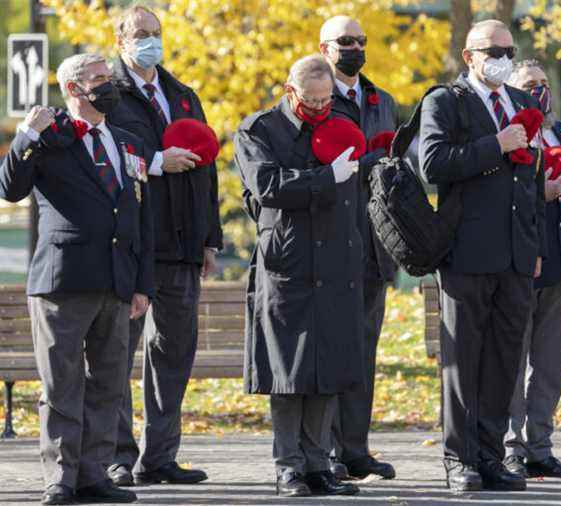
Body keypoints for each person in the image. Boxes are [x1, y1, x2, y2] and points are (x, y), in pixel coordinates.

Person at [0, 53, 153, 505]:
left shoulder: (127, 142)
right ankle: (61, 479)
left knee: (108, 385)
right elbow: (9, 187)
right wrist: (27, 132)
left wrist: (142, 283)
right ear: (73, 89)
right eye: (99, 80)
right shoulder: (50, 139)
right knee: (62, 386)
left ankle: (94, 474)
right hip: (62, 282)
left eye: (109, 79)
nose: (109, 87)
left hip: (116, 281)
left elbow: (141, 216)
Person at [419, 19, 545, 493]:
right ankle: (460, 458)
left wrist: (533, 247)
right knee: (463, 360)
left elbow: (531, 183)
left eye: (510, 50)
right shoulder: (446, 101)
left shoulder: (523, 102)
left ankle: (491, 455)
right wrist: (495, 144)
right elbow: (432, 164)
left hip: (515, 256)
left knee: (504, 359)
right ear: (469, 56)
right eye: (493, 50)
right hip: (466, 253)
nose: (503, 58)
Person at [234, 54, 364, 497]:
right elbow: (267, 186)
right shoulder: (259, 130)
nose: (320, 107)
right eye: (311, 100)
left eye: (327, 98)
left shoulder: (340, 121)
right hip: (288, 264)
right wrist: (326, 177)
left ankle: (318, 464)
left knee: (327, 367)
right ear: (291, 91)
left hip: (336, 262)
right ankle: (287, 465)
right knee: (288, 370)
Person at [105, 5, 224, 487]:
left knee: (172, 355)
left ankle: (160, 457)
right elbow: (107, 153)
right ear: (121, 41)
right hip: (129, 248)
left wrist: (210, 239)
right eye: (140, 34)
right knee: (116, 354)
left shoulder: (184, 96)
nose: (150, 41)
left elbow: (209, 169)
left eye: (156, 33)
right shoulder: (108, 94)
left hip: (180, 247)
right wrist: (155, 161)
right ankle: (116, 456)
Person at [318, 14, 397, 481]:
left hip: (374, 242)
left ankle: (355, 448)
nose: (354, 48)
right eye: (345, 41)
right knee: (330, 350)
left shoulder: (381, 99)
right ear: (325, 48)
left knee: (364, 351)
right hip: (329, 242)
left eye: (360, 41)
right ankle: (325, 449)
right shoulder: (312, 99)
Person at [504, 59, 561, 480]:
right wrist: (539, 190)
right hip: (520, 262)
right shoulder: (507, 134)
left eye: (543, 84)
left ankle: (541, 446)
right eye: (528, 85)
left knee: (550, 366)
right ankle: (511, 447)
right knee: (514, 361)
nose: (539, 91)